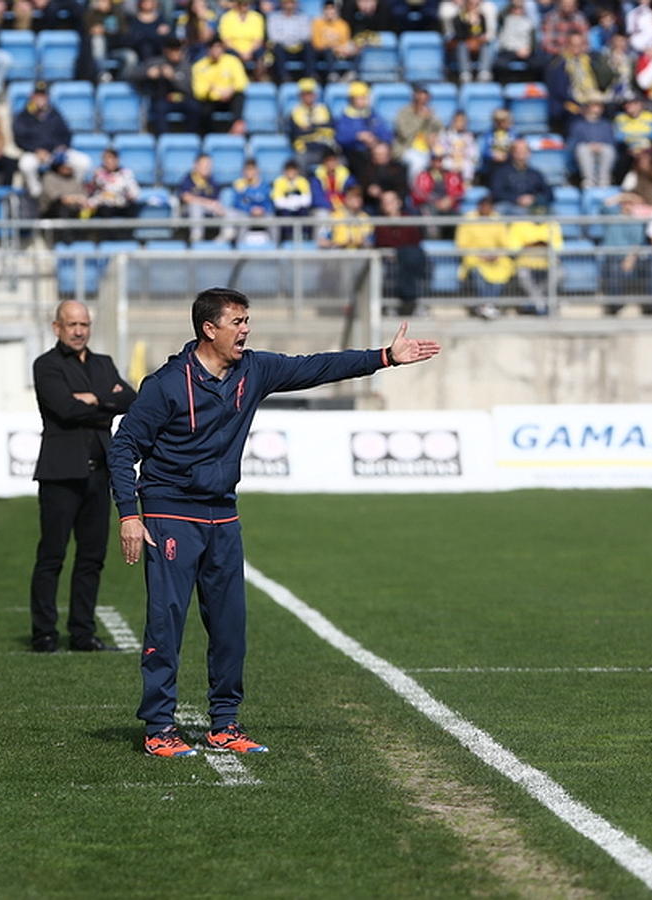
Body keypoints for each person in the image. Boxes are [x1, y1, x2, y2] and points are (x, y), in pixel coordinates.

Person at [108, 287, 440, 757]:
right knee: (166, 624)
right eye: (237, 322)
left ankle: (225, 723)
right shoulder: (165, 384)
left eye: (247, 320)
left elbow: (316, 367)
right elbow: (123, 447)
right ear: (209, 329)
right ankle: (159, 726)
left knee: (230, 626)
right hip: (169, 513)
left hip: (223, 514)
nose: (246, 329)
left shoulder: (254, 370)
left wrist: (384, 357)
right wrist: (129, 514)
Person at [30, 301, 135, 653]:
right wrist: (104, 402)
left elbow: (131, 399)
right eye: (72, 324)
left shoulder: (103, 363)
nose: (79, 331)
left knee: (92, 557)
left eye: (84, 324)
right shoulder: (46, 365)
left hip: (99, 472)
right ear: (56, 326)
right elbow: (64, 408)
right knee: (52, 555)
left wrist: (93, 399)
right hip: (60, 473)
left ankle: (82, 632)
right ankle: (44, 632)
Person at [190, 37, 248, 133]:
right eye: (213, 48)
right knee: (202, 108)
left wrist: (230, 90)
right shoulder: (199, 66)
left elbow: (242, 82)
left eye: (219, 48)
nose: (216, 51)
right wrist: (217, 93)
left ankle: (237, 126)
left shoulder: (232, 61)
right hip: (211, 100)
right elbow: (199, 91)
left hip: (230, 98)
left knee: (240, 96)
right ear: (208, 50)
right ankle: (208, 135)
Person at [287, 78, 336, 167]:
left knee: (341, 160)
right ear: (300, 95)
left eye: (310, 93)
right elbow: (296, 133)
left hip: (324, 148)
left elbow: (331, 129)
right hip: (306, 150)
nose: (308, 96)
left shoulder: (324, 109)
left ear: (315, 94)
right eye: (305, 94)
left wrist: (310, 128)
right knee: (299, 160)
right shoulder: (295, 112)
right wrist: (319, 128)